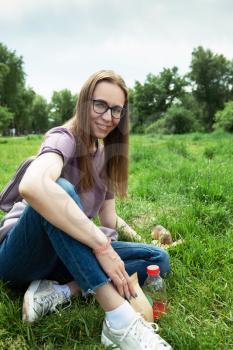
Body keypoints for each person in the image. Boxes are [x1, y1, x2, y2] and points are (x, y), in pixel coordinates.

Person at [0, 70, 172, 350]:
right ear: (84, 102)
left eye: (116, 109)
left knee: (157, 260)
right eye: (100, 105)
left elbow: (110, 219)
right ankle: (119, 321)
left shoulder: (105, 158)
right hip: (19, 256)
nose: (108, 116)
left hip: (64, 255)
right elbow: (33, 185)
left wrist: (138, 238)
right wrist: (102, 247)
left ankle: (63, 291)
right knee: (61, 191)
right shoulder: (62, 138)